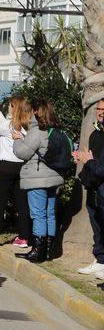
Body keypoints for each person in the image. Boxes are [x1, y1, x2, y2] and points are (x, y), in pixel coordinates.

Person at [13, 100, 68, 263]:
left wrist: (17, 139)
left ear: (36, 112)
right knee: (50, 214)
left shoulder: (36, 131)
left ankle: (38, 252)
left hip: (37, 179)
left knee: (38, 214)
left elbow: (23, 152)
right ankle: (50, 250)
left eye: (31, 111)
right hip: (54, 177)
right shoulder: (54, 130)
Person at [0, 95, 32, 247]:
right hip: (21, 166)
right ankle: (24, 237)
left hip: (5, 167)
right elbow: (4, 124)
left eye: (10, 105)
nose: (8, 107)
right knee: (22, 202)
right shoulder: (26, 126)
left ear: (14, 108)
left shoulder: (9, 126)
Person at [74, 98, 104, 279]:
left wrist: (90, 161)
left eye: (103, 109)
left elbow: (100, 167)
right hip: (93, 186)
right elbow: (93, 160)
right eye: (98, 109)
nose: (100, 112)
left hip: (102, 187)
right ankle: (100, 260)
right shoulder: (95, 133)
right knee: (97, 228)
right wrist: (82, 158)